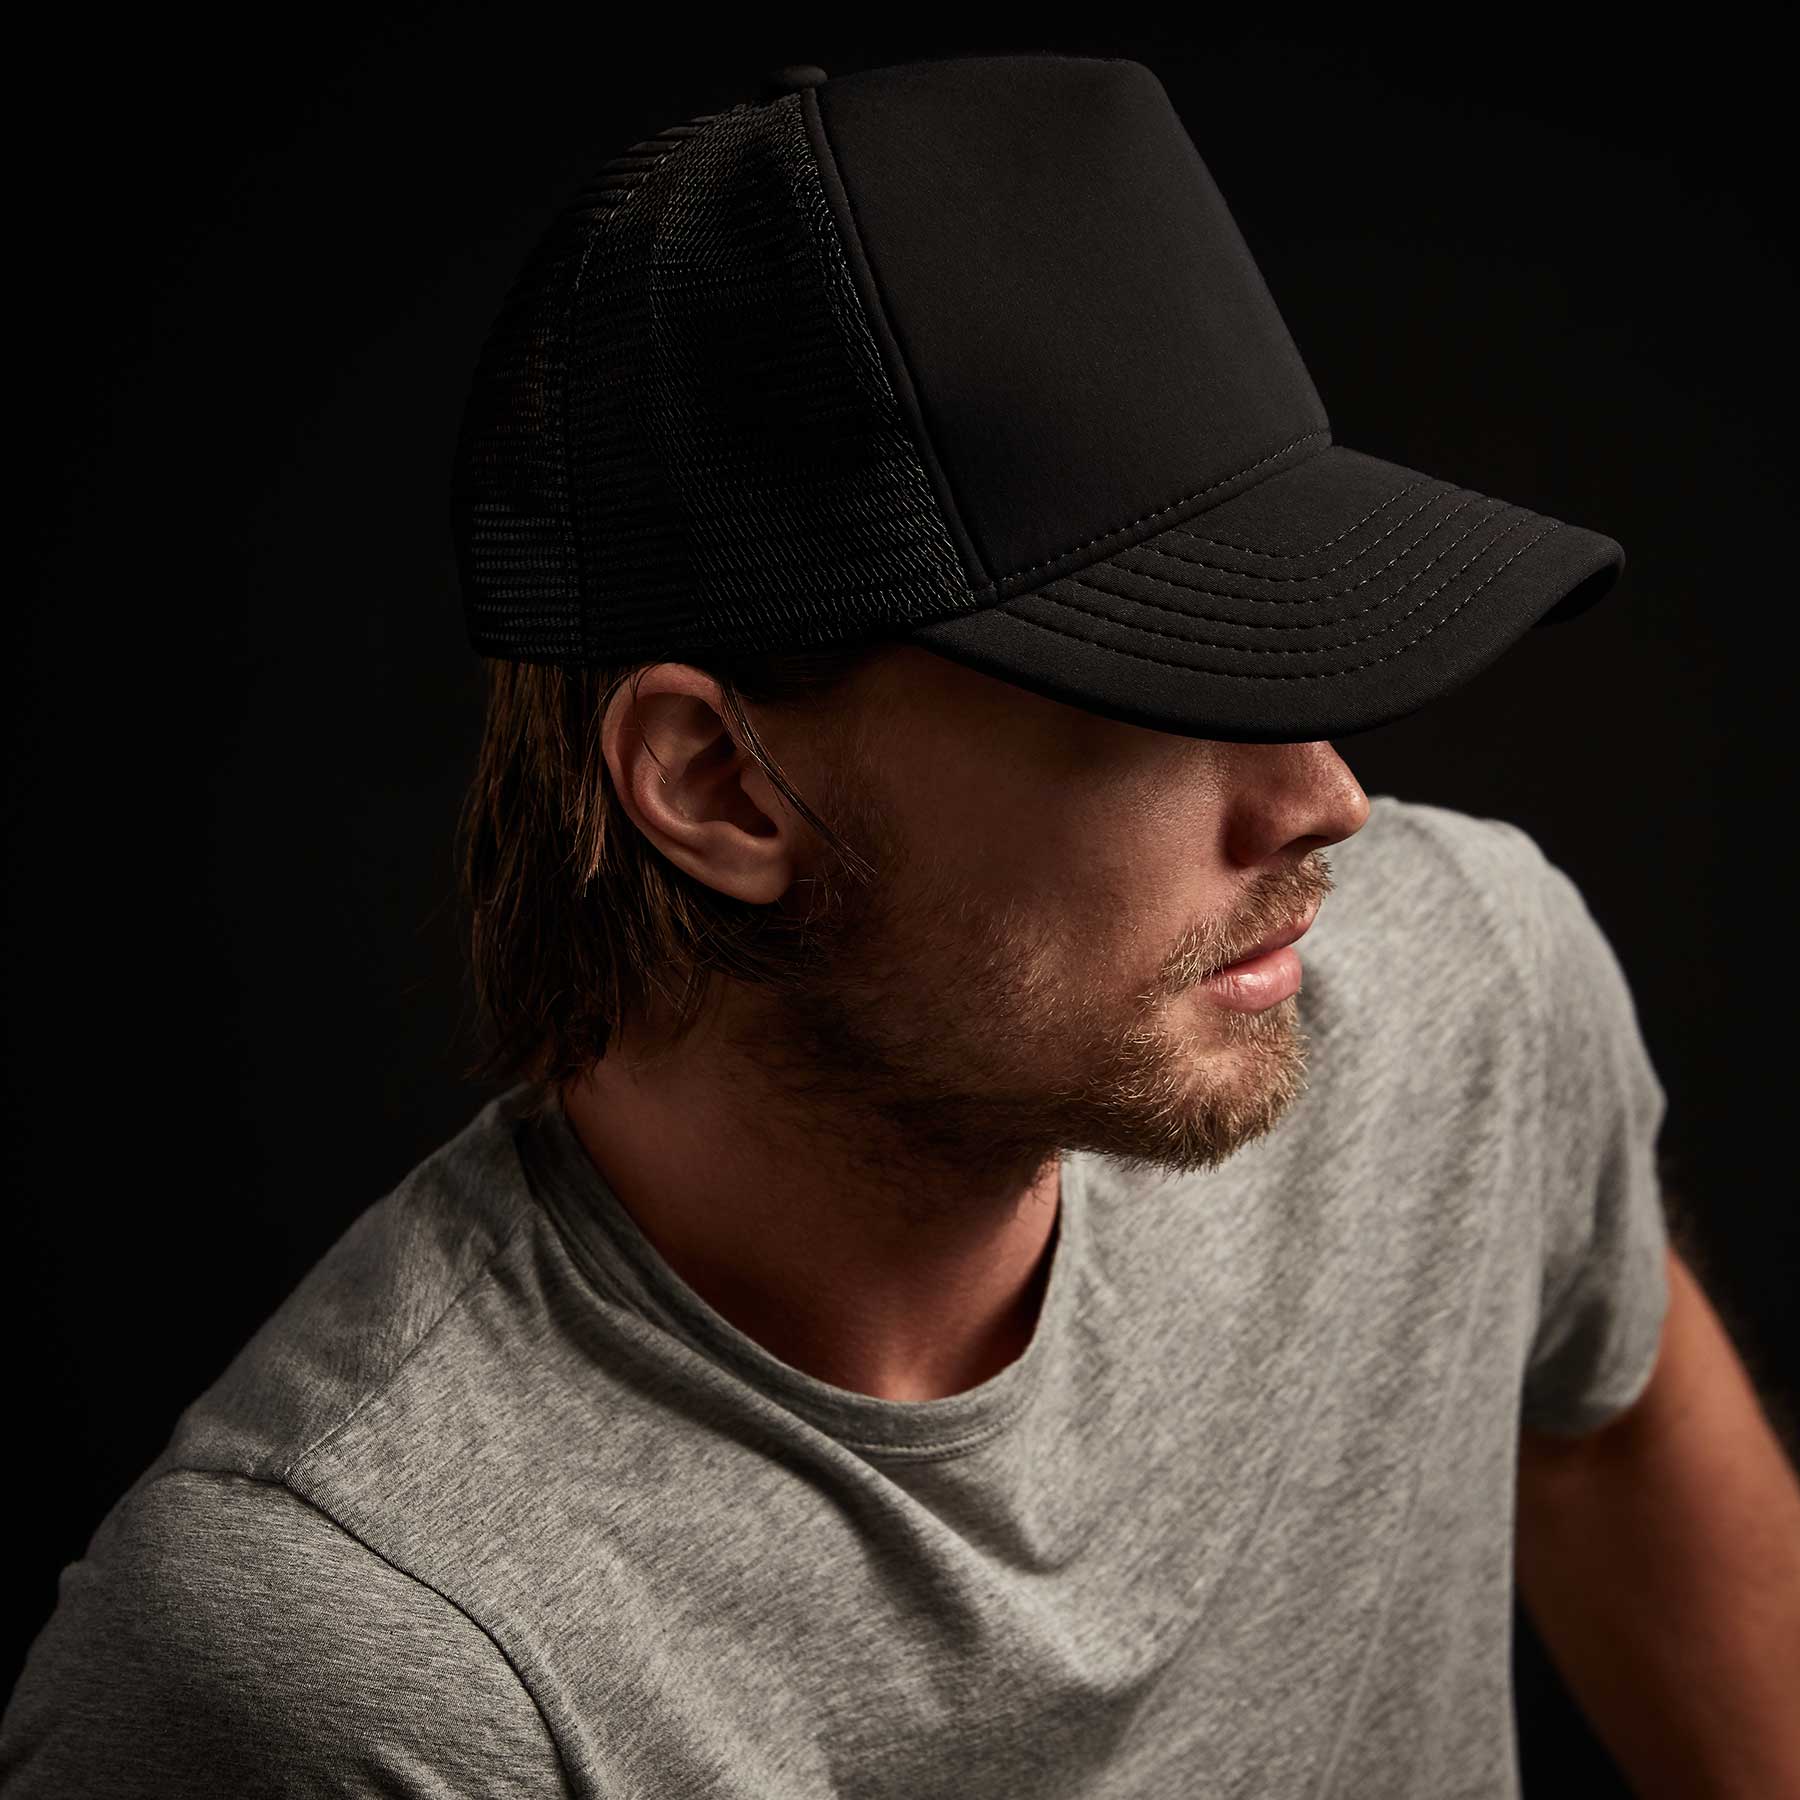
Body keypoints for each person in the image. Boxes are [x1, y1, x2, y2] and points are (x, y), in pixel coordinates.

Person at [0, 51, 1708, 1798]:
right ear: (718, 783)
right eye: (1160, 697)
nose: (1327, 800)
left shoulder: (1454, 984)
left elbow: (1618, 1453)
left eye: (1296, 662)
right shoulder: (362, 1656)